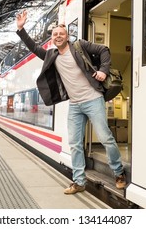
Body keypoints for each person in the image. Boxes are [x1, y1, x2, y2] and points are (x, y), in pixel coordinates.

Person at [16, 10, 126, 194]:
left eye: (61, 34)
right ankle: (79, 181)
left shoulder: (79, 46)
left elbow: (104, 50)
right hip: (75, 104)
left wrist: (104, 71)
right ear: (52, 39)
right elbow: (34, 48)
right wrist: (21, 29)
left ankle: (118, 173)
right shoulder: (51, 55)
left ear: (67, 36)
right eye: (55, 35)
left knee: (105, 137)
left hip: (93, 99)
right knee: (74, 143)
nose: (58, 37)